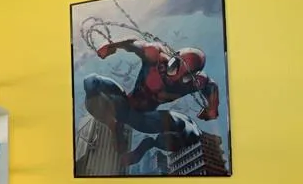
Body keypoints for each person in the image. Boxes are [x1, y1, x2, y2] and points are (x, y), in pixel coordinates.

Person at [82, 38, 220, 168]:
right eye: (174, 67)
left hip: (144, 119)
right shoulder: (154, 55)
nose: (175, 78)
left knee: (192, 132)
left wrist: (212, 108)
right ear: (173, 57)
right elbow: (133, 42)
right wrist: (112, 45)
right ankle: (113, 126)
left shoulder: (195, 82)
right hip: (125, 103)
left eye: (185, 77)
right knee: (90, 81)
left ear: (193, 77)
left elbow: (211, 85)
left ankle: (149, 144)